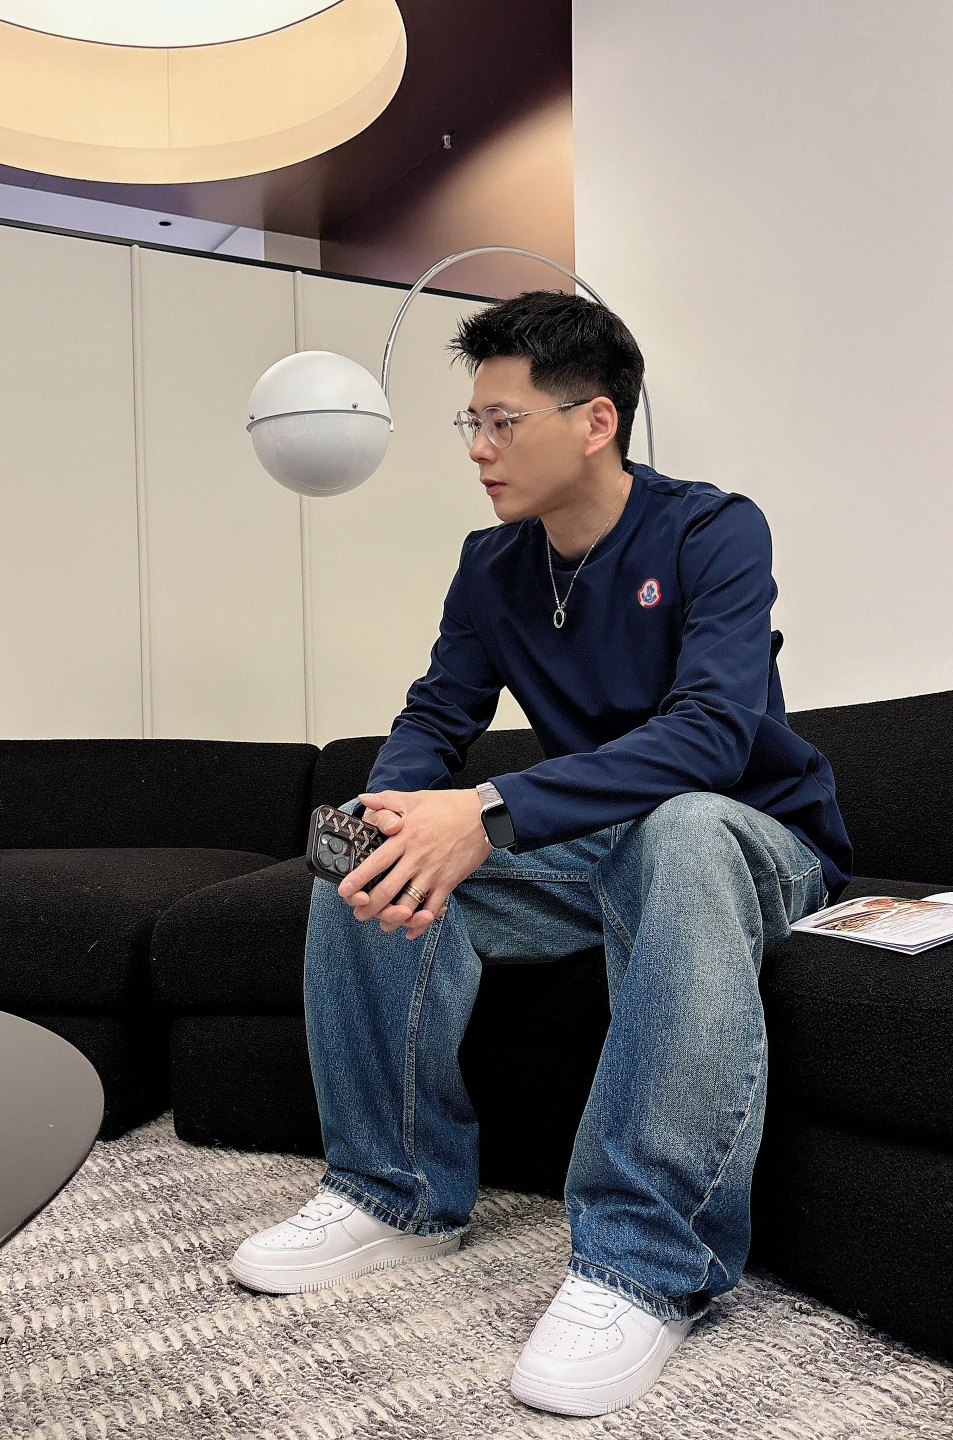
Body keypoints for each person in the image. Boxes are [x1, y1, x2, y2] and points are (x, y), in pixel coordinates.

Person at [231, 291, 852, 1418]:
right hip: (596, 843)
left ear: (596, 421)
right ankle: (392, 1191)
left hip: (751, 838)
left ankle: (644, 1262)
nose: (478, 448)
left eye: (502, 421)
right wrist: (399, 803)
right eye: (469, 422)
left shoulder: (713, 531)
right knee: (371, 842)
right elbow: (438, 713)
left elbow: (712, 737)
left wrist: (491, 809)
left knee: (683, 825)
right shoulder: (492, 565)